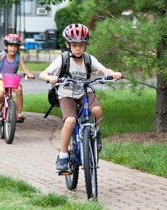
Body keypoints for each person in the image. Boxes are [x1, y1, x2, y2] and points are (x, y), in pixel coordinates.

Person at [39, 23, 122, 173]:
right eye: (75, 45)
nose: (78, 48)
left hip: (85, 92)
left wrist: (113, 73)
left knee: (97, 110)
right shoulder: (63, 59)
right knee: (70, 121)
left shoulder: (89, 59)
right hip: (67, 94)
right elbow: (42, 74)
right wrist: (50, 77)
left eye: (81, 45)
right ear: (68, 44)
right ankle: (63, 156)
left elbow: (104, 70)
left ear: (85, 45)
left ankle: (96, 134)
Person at [0, 34, 34, 123]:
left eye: (16, 46)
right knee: (0, 94)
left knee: (19, 90)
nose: (13, 48)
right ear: (6, 46)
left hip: (11, 79)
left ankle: (19, 113)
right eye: (11, 46)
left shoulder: (18, 57)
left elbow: (24, 68)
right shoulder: (1, 55)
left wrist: (29, 74)